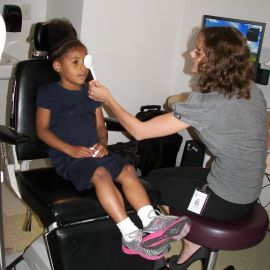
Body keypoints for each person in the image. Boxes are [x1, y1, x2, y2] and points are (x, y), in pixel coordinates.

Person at [88, 26, 267, 269]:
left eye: (199, 51)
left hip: (226, 200)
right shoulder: (249, 88)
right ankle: (190, 251)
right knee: (158, 176)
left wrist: (107, 98)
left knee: (150, 187)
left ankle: (156, 243)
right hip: (245, 190)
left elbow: (139, 132)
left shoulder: (208, 103)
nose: (191, 53)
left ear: (215, 62)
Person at [35, 37, 191, 261]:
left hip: (96, 152)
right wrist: (69, 149)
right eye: (75, 62)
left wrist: (102, 143)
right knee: (101, 174)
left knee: (127, 170)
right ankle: (130, 234)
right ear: (58, 66)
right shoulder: (48, 93)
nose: (83, 68)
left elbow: (101, 126)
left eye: (85, 62)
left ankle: (151, 221)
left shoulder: (92, 92)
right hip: (70, 158)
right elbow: (42, 130)